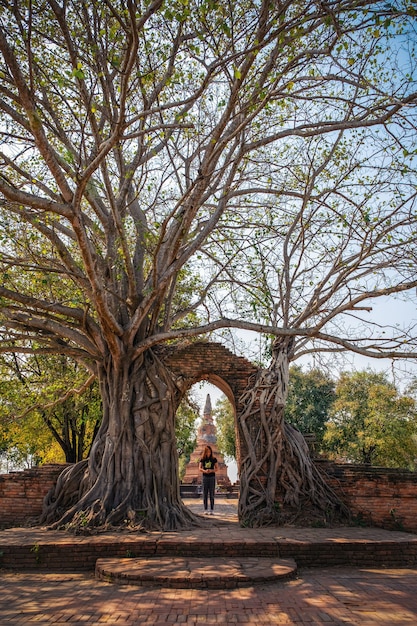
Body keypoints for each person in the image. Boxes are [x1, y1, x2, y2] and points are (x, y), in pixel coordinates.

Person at [199, 445, 218, 515]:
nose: (208, 453)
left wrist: (211, 470)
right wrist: (205, 471)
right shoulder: (202, 459)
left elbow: (217, 468)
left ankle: (212, 509)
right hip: (205, 477)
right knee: (205, 494)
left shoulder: (214, 459)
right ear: (205, 452)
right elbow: (200, 468)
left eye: (209, 452)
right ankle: (205, 509)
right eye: (207, 452)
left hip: (212, 477)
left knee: (212, 494)